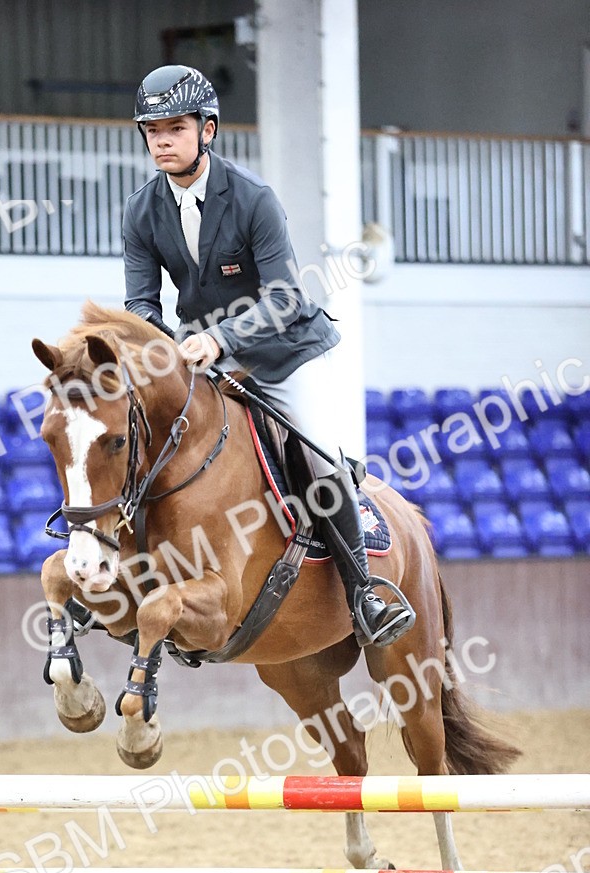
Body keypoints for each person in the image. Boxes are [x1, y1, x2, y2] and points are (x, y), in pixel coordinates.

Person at [122, 64, 415, 648]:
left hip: (285, 354)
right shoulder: (141, 210)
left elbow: (285, 298)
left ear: (207, 130)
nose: (162, 141)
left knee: (320, 459)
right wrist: (168, 347)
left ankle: (364, 592)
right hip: (206, 358)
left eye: (175, 128)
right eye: (152, 131)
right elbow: (140, 305)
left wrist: (219, 339)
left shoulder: (253, 198)